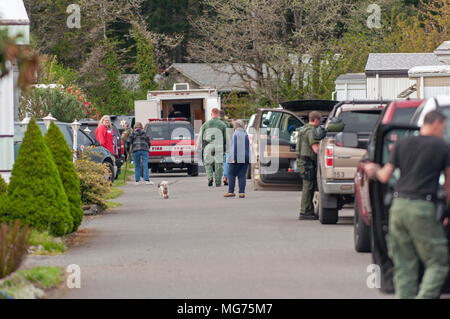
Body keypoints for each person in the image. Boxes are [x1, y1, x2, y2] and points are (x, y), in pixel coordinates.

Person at [364, 110, 450, 299]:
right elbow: (448, 187)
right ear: (436, 124)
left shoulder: (403, 143)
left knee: (404, 265)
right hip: (423, 209)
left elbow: (385, 176)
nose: (443, 132)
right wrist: (446, 212)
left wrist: (373, 169)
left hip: (398, 208)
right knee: (438, 262)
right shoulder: (442, 147)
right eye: (444, 128)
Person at [296, 111, 322, 220]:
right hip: (307, 162)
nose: (320, 123)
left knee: (308, 186)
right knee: (308, 187)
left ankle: (308, 209)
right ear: (316, 120)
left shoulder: (303, 129)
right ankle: (305, 211)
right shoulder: (311, 131)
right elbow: (316, 149)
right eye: (320, 120)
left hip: (303, 161)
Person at [197, 108, 227, 187]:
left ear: (211, 114)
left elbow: (200, 136)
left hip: (209, 145)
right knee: (218, 163)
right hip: (219, 145)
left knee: (207, 163)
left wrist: (198, 146)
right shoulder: (222, 124)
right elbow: (225, 137)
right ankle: (218, 182)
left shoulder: (206, 124)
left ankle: (210, 178)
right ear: (218, 114)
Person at [224, 119, 250, 198]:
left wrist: (234, 158)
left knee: (231, 174)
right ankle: (241, 192)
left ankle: (231, 191)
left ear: (235, 126)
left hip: (236, 157)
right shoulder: (245, 134)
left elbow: (235, 147)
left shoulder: (235, 134)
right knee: (242, 175)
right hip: (246, 157)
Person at [219, 109, 233, 186]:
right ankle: (225, 177)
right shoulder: (229, 124)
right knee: (226, 162)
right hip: (227, 145)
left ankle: (216, 178)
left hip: (217, 145)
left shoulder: (216, 123)